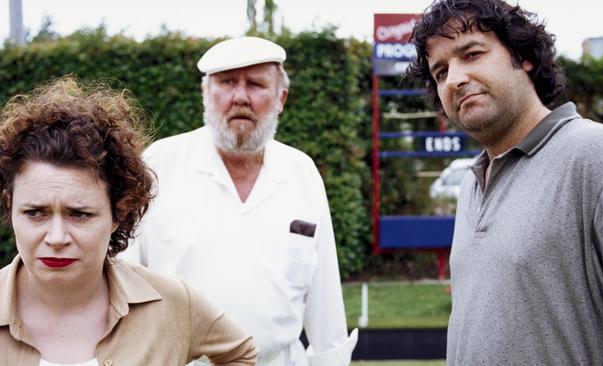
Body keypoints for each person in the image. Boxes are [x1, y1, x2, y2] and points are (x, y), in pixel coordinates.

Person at [408, 0, 603, 364]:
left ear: (524, 58)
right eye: (440, 72)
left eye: (471, 54)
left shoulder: (599, 157)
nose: (455, 79)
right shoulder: (472, 184)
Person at [123, 36, 358, 366]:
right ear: (205, 92)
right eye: (227, 82)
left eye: (257, 84)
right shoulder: (160, 165)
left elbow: (325, 300)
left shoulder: (301, 172)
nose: (240, 97)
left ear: (281, 98)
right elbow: (123, 284)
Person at [0, 76, 258, 365]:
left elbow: (240, 352)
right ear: (10, 207)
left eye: (79, 214)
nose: (57, 237)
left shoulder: (172, 303)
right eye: (35, 213)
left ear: (118, 213)